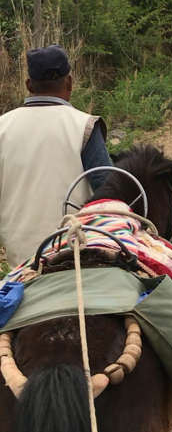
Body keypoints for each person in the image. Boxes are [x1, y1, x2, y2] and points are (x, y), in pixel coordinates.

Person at [0, 45, 112, 267]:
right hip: (76, 257)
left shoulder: (2, 127)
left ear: (29, 85)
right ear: (69, 82)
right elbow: (109, 191)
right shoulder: (85, 126)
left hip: (21, 265)